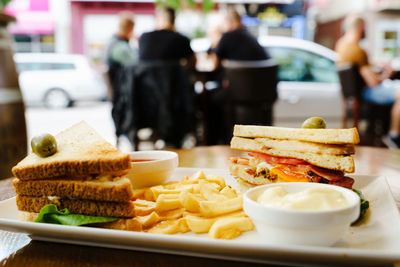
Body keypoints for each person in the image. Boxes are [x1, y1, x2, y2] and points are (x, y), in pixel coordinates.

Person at [335, 14, 400, 148]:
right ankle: (394, 136)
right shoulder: (358, 50)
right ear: (361, 28)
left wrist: (376, 65)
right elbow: (373, 82)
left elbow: (362, 68)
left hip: (354, 95)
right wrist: (388, 74)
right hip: (366, 93)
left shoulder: (341, 44)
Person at [105, 11, 137, 147]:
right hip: (123, 95)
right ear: (130, 29)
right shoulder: (120, 47)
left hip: (120, 95)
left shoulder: (114, 42)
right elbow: (137, 64)